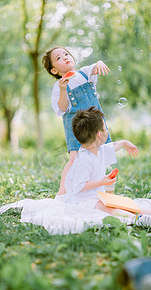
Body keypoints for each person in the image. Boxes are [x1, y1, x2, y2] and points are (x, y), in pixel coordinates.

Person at [63, 107, 151, 227]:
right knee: (107, 208)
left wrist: (125, 143)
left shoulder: (98, 149)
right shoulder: (83, 160)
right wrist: (101, 182)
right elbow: (79, 186)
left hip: (95, 196)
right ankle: (139, 219)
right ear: (100, 134)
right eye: (105, 129)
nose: (107, 131)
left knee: (122, 203)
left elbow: (112, 146)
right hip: (81, 200)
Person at [42, 46, 111, 195]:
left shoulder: (84, 73)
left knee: (101, 155)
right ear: (54, 70)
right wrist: (62, 90)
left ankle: (101, 189)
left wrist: (99, 62)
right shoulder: (58, 86)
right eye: (58, 58)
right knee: (74, 159)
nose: (65, 57)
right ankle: (62, 192)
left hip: (96, 124)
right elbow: (61, 108)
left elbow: (94, 68)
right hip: (76, 128)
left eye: (66, 54)